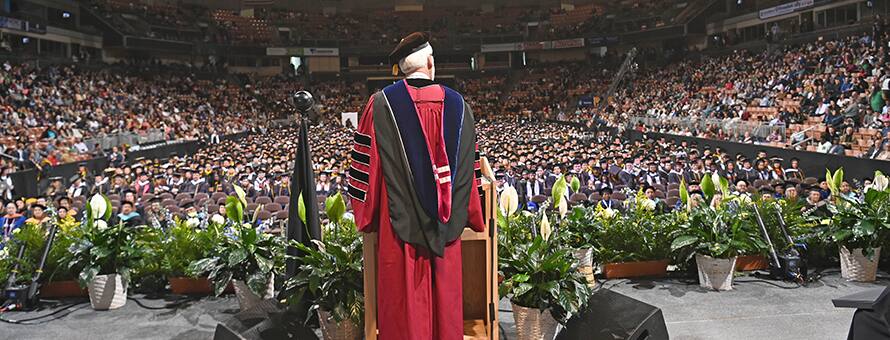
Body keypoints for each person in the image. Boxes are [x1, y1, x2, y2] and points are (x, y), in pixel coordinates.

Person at [349, 32, 485, 340]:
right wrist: (472, 214)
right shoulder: (459, 107)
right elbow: (470, 171)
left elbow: (365, 171)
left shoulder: (380, 105)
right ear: (431, 62)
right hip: (445, 231)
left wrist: (366, 216)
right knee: (445, 308)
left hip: (398, 233)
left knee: (404, 310)